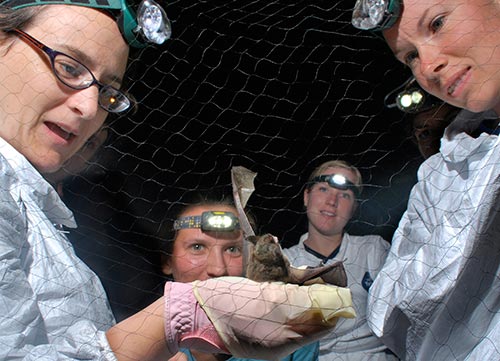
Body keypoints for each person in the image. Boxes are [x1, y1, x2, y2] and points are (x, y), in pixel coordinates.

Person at [0, 0, 357, 359]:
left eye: (108, 92)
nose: (91, 108)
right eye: (68, 67)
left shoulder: (28, 201)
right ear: (166, 260)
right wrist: (183, 315)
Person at [352, 0, 500, 359]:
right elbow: (394, 314)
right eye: (410, 57)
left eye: (437, 24)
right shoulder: (441, 173)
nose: (429, 66)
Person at [161, 194, 320, 361]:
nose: (218, 269)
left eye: (232, 249)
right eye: (197, 247)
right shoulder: (140, 345)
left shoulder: (294, 335)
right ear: (167, 260)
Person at [282, 160, 396, 360]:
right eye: (323, 189)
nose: (332, 201)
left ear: (353, 208)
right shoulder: (284, 260)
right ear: (306, 196)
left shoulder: (374, 249)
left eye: (344, 195)